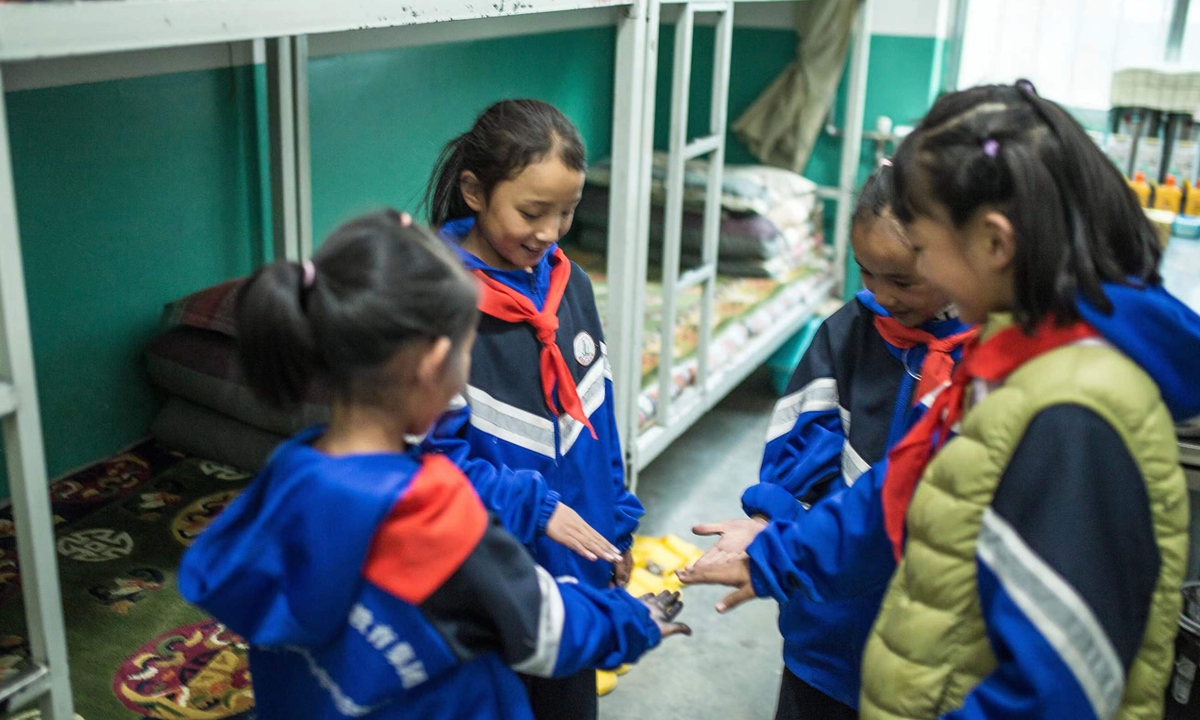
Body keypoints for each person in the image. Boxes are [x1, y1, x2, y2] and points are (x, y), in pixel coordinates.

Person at [682, 80, 1200, 720]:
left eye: (924, 253)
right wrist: (776, 554)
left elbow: (1059, 686)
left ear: (994, 242)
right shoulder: (1014, 358)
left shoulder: (1074, 412)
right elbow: (906, 489)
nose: (907, 285)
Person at [178, 210, 689, 720]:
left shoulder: (289, 473)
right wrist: (632, 618)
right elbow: (546, 631)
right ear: (433, 364)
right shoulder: (431, 511)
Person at [700, 163, 973, 720]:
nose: (880, 294)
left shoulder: (985, 364)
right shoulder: (848, 334)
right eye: (866, 273)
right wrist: (773, 519)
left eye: (902, 280)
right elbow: (798, 452)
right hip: (826, 626)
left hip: (926, 638)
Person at [421, 99, 641, 719]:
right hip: (489, 580)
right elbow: (431, 462)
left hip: (570, 574)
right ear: (473, 191)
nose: (548, 233)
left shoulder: (570, 284)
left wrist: (614, 524)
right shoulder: (438, 304)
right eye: (531, 212)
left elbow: (597, 417)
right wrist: (534, 507)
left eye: (566, 213)